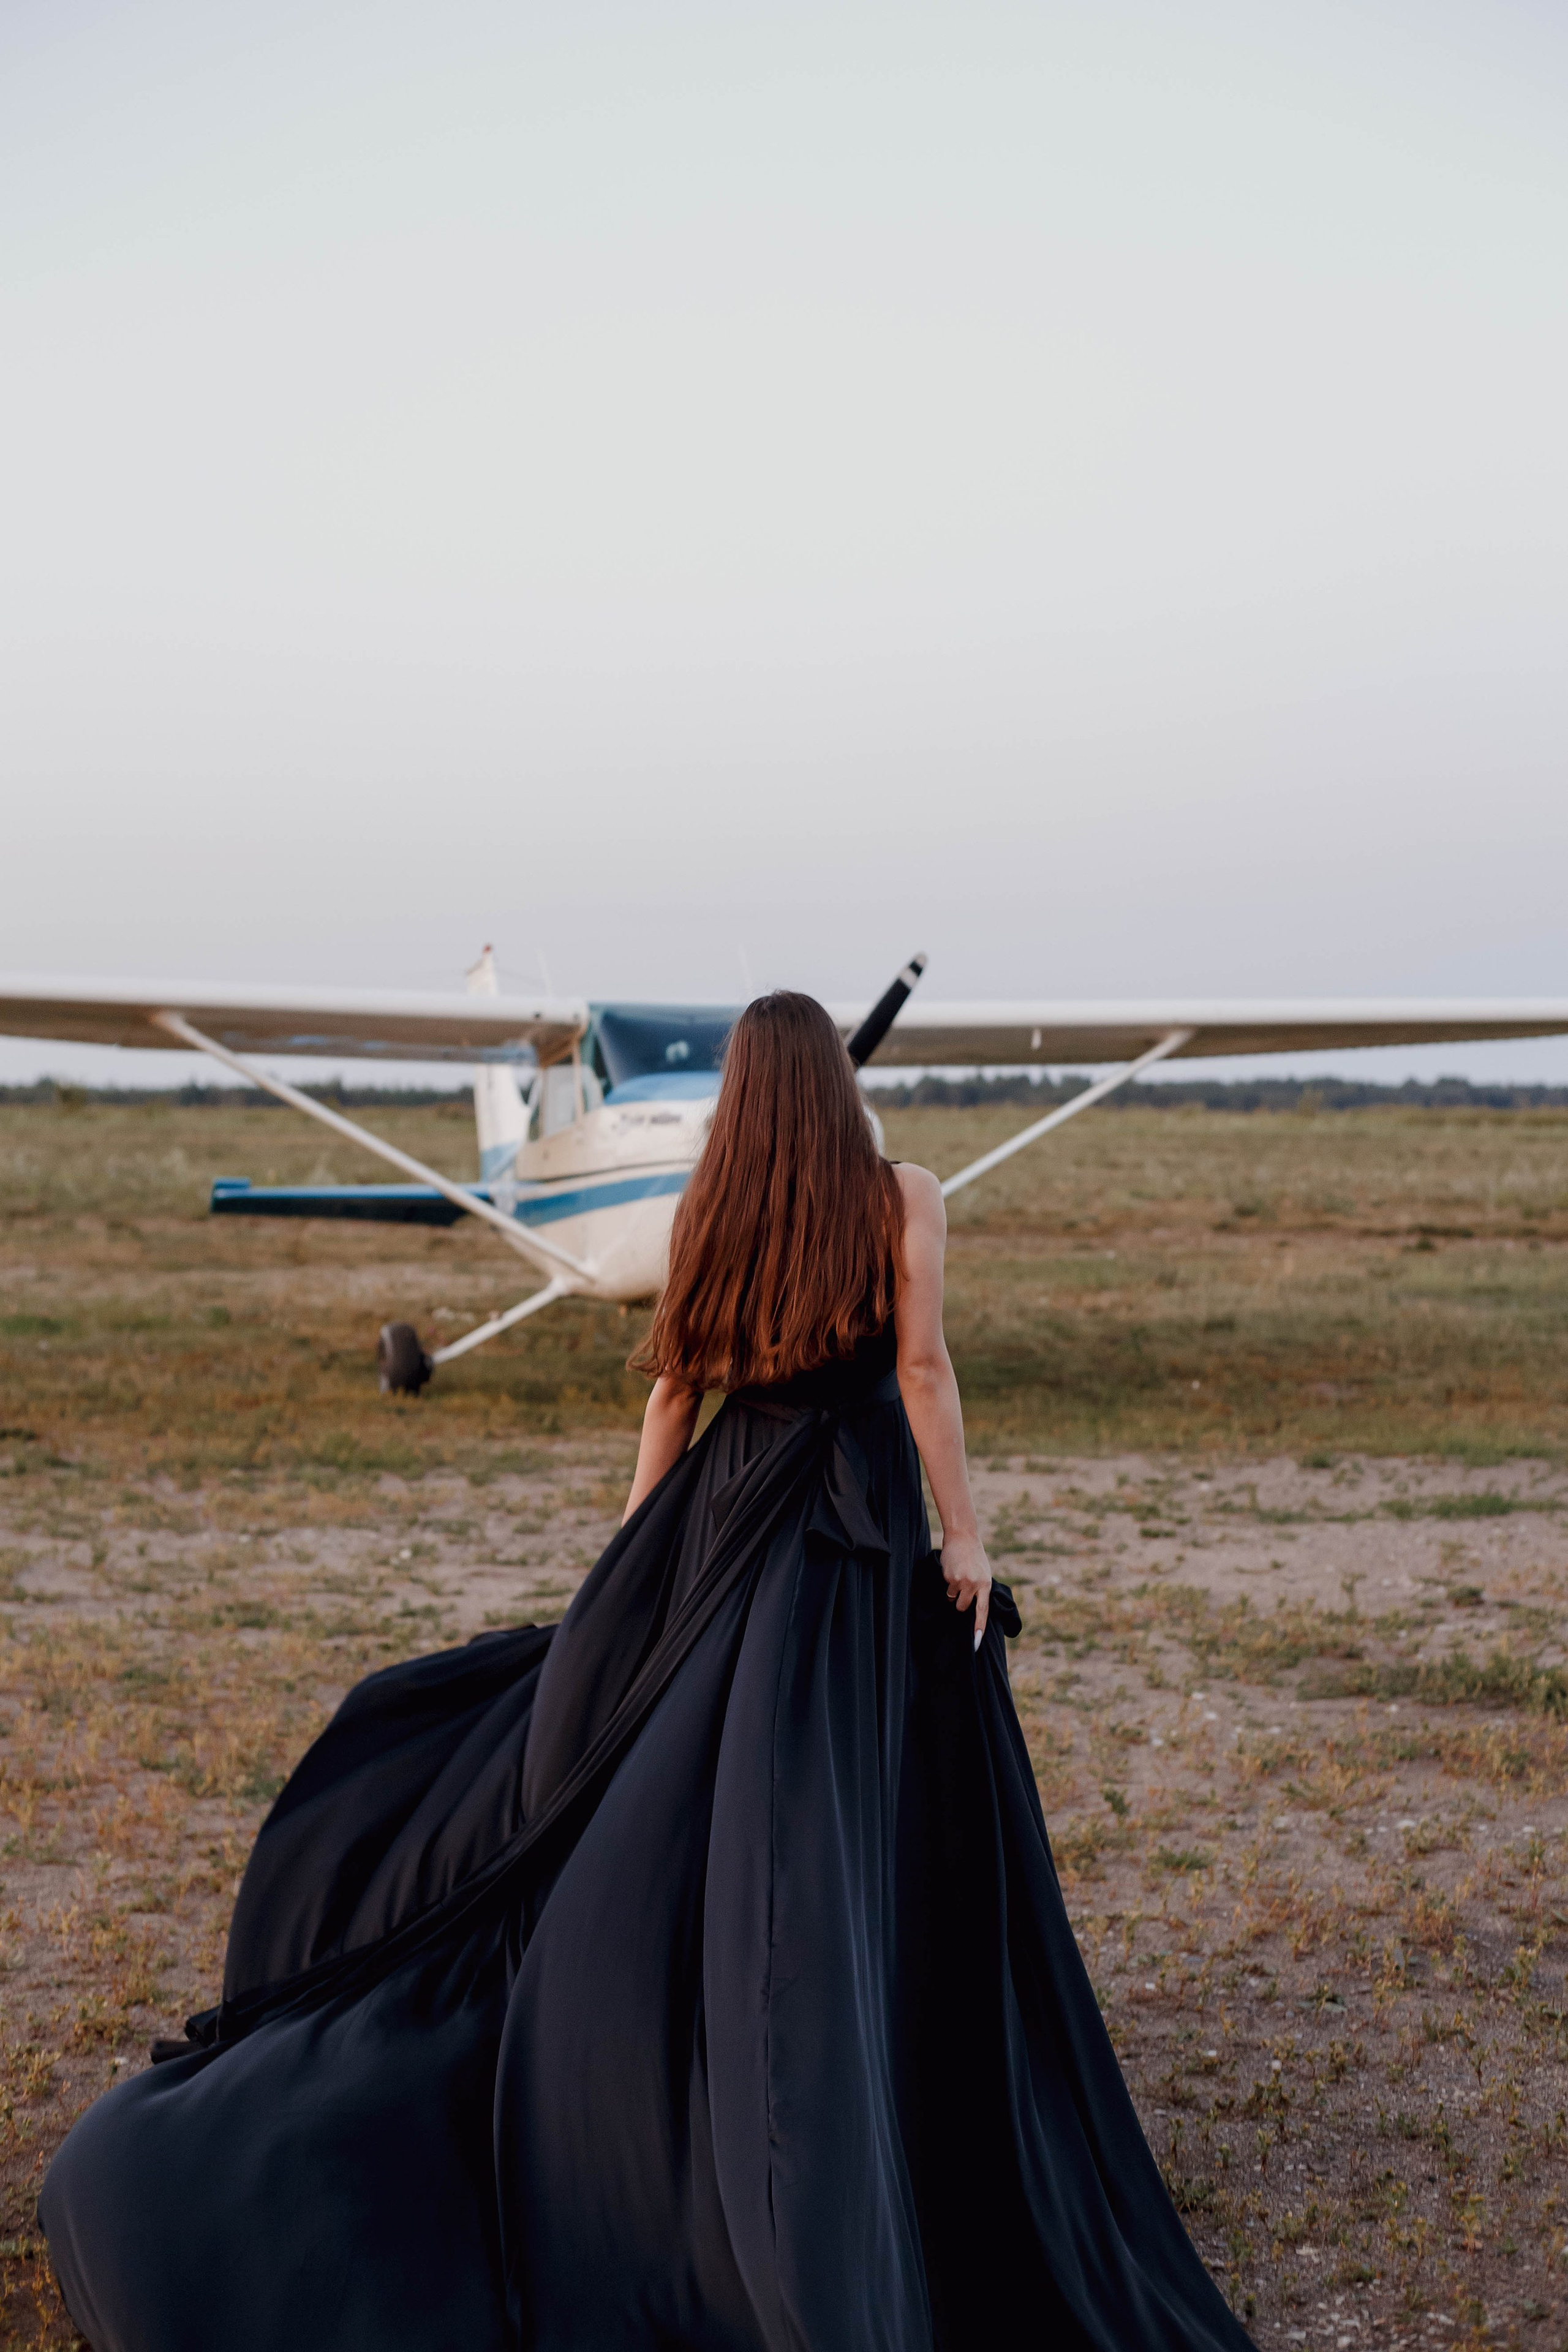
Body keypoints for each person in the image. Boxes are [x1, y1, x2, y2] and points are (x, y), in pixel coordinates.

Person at [41, 992, 1253, 2352]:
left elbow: (672, 1395)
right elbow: (919, 1369)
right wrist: (961, 1533)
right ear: (835, 1084)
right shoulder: (903, 1195)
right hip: (849, 1527)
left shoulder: (704, 1212)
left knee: (711, 1803)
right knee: (840, 1807)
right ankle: (875, 2084)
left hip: (727, 1518)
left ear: (739, 1094)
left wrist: (634, 1563)